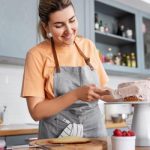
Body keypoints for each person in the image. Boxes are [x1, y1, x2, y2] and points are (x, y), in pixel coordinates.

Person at [21, 0, 113, 139]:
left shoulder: (88, 46)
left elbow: (101, 91)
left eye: (72, 20)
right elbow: (36, 111)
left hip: (95, 135)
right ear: (46, 27)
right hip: (57, 137)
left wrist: (128, 95)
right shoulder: (36, 55)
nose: (69, 30)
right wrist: (75, 94)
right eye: (59, 25)